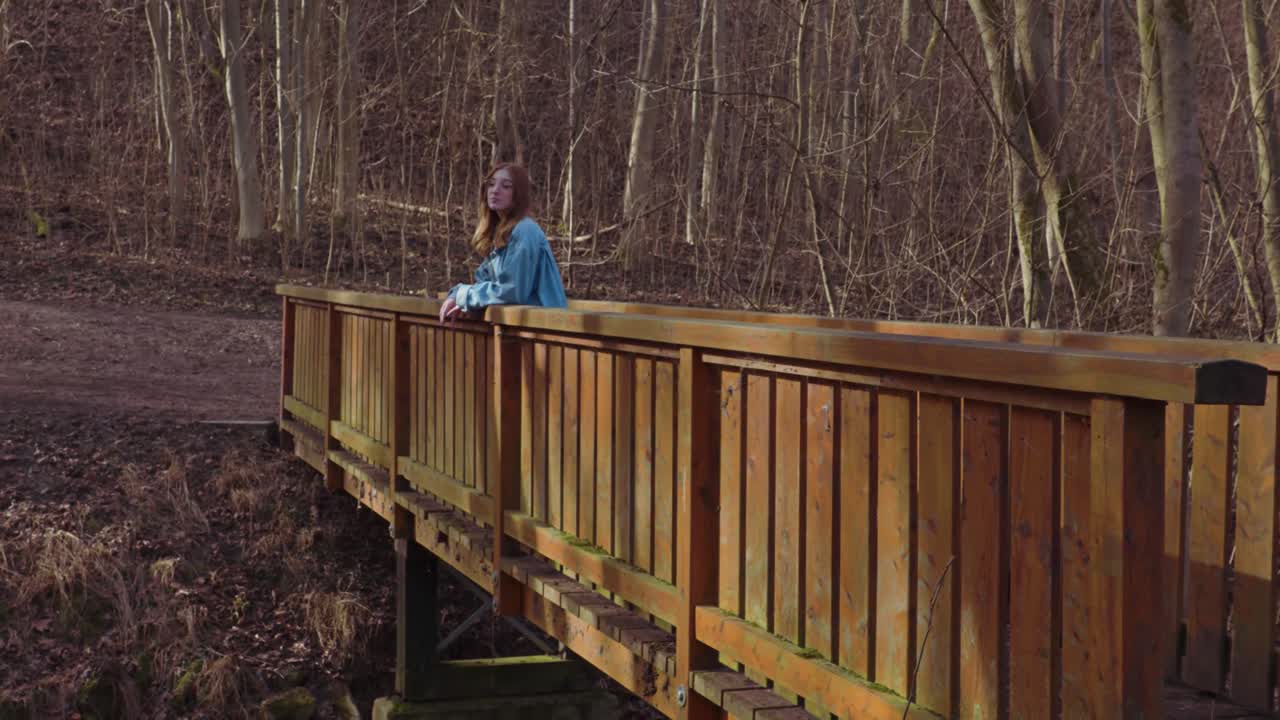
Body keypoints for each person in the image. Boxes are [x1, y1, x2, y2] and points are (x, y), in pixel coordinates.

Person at [438, 163, 567, 322]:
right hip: (523, 330)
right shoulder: (500, 236)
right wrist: (458, 295)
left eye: (506, 186)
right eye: (491, 184)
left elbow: (512, 291)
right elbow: (484, 283)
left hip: (548, 331)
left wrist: (462, 295)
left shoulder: (525, 230)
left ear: (518, 195)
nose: (495, 190)